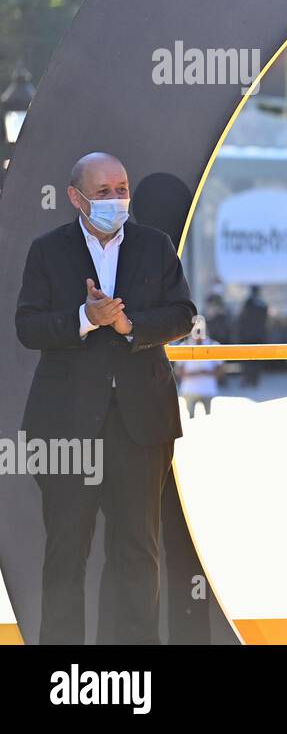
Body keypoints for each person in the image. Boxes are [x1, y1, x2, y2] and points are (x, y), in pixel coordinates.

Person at [15, 152, 196, 643]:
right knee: (66, 553)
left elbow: (183, 314)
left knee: (138, 551)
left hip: (140, 425)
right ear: (76, 198)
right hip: (67, 425)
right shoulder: (48, 250)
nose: (116, 200)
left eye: (122, 189)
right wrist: (83, 319)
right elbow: (27, 326)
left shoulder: (154, 247)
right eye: (103, 192)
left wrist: (128, 324)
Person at [174, 315, 220, 418]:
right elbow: (178, 371)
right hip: (189, 390)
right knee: (190, 419)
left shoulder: (213, 345)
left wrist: (203, 373)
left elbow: (220, 370)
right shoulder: (184, 346)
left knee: (209, 418)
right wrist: (199, 373)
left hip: (208, 389)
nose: (198, 332)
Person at [236, 284, 268, 387]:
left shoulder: (247, 303)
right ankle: (254, 379)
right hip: (259, 335)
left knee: (246, 359)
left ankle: (247, 378)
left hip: (247, 335)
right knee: (257, 359)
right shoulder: (263, 305)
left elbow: (241, 318)